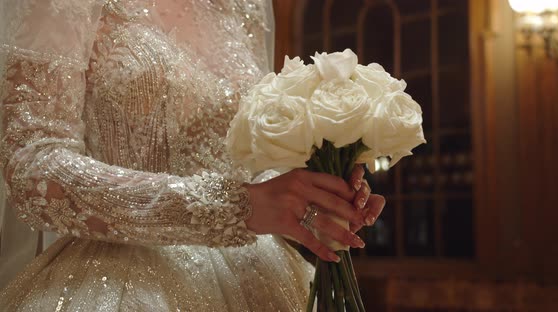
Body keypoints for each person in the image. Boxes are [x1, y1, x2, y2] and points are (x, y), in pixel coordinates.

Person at [0, 0, 386, 310]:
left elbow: (247, 157)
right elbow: (34, 165)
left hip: (259, 277)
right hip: (118, 280)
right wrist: (233, 207)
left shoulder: (244, 6)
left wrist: (310, 201)